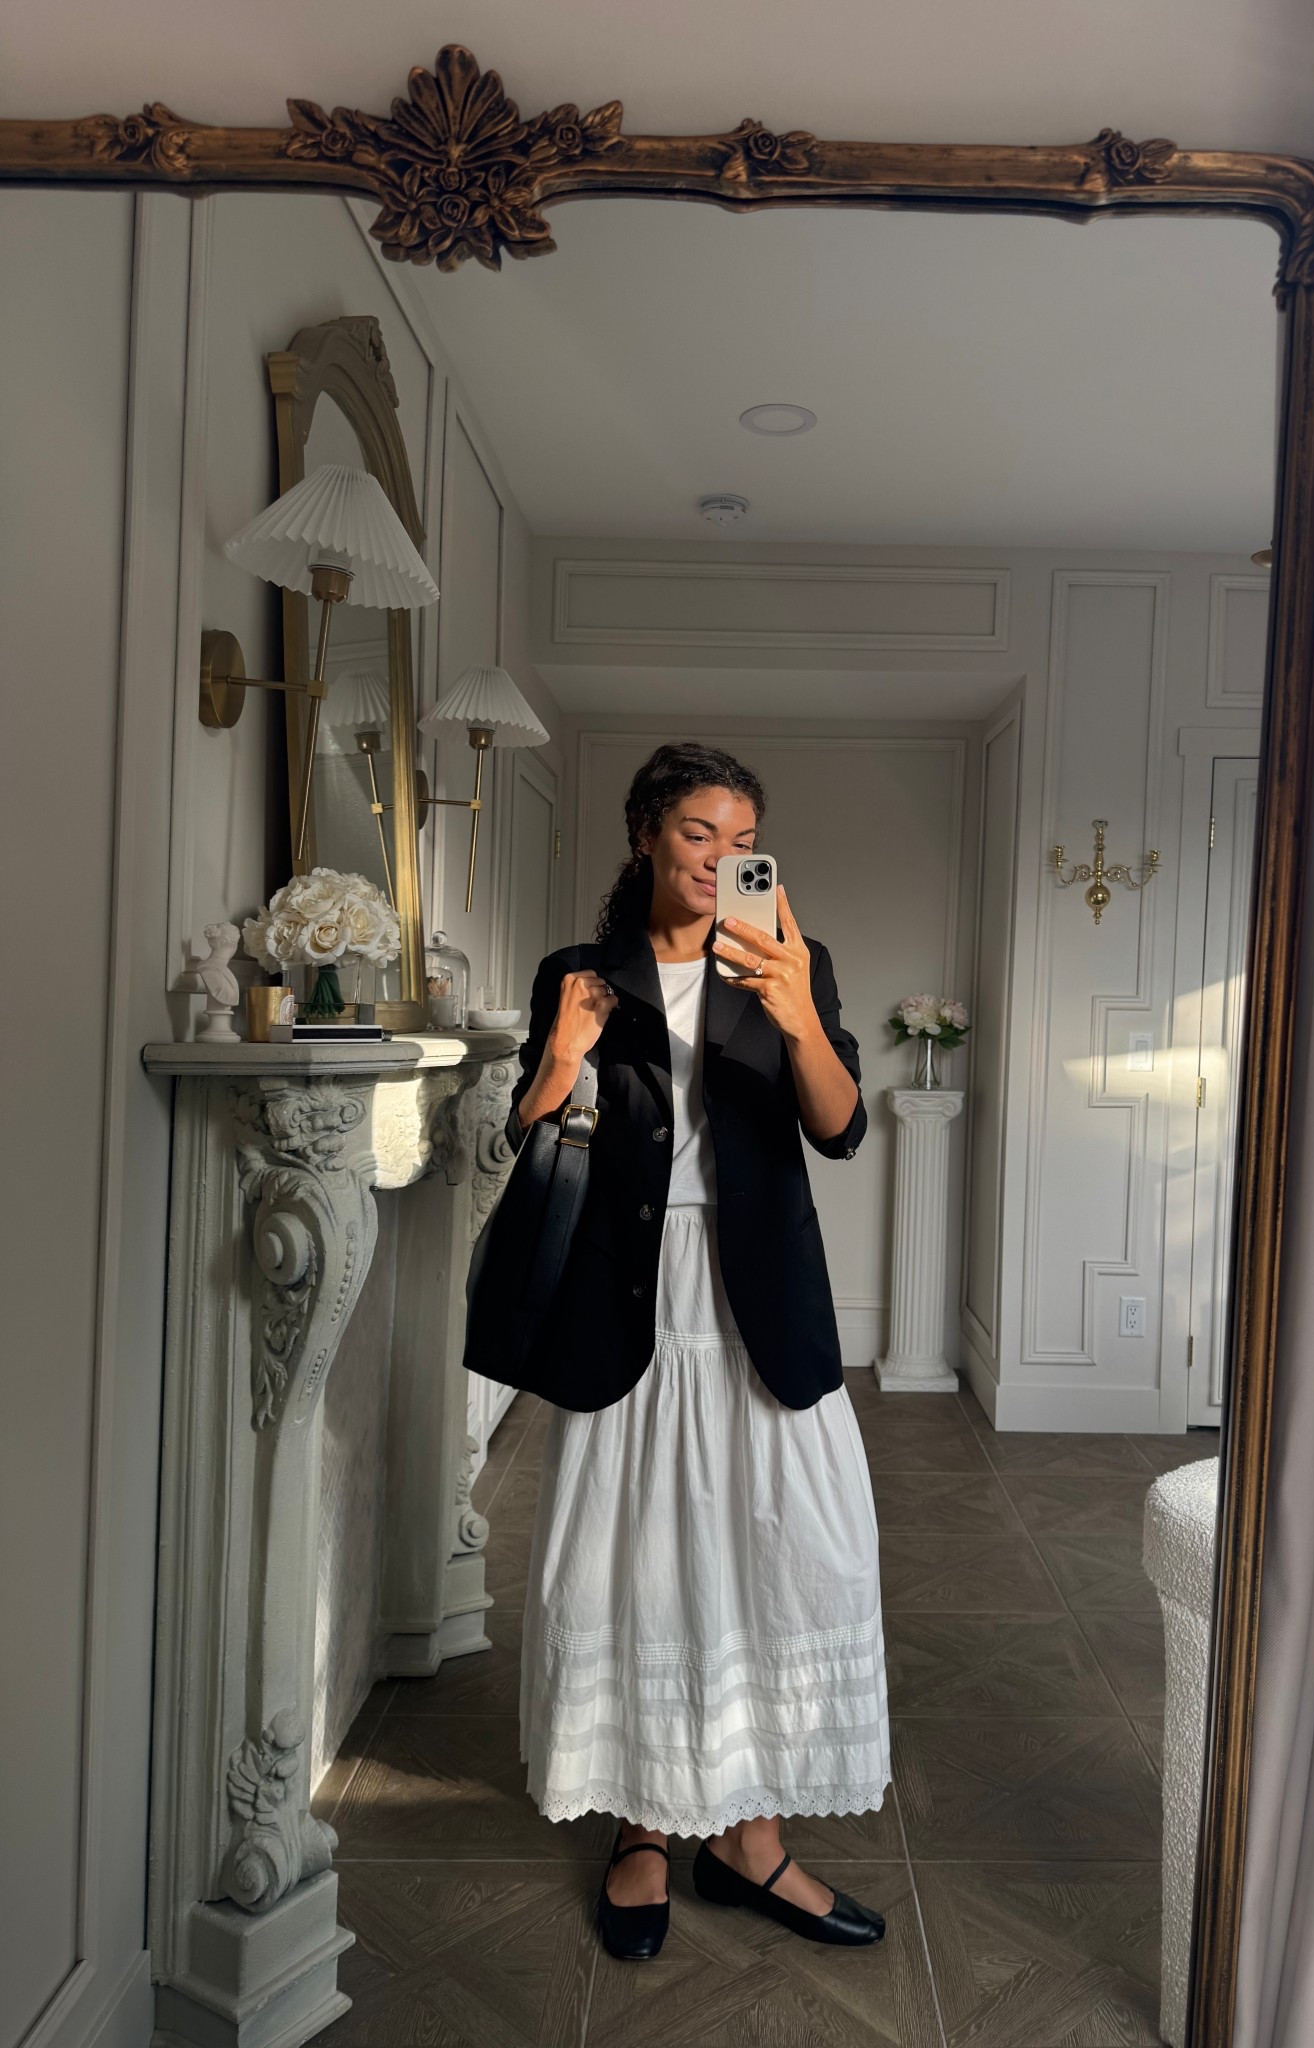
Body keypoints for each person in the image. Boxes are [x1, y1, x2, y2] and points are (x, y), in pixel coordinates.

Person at [507, 741, 890, 1961]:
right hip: (630, 1298)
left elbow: (838, 1129)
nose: (722, 857)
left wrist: (791, 1010)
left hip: (761, 1297)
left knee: (789, 1553)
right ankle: (640, 1828)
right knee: (639, 1556)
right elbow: (534, 1140)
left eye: (742, 838)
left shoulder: (793, 962)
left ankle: (750, 1838)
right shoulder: (580, 974)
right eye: (697, 834)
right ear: (643, 836)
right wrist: (563, 1062)